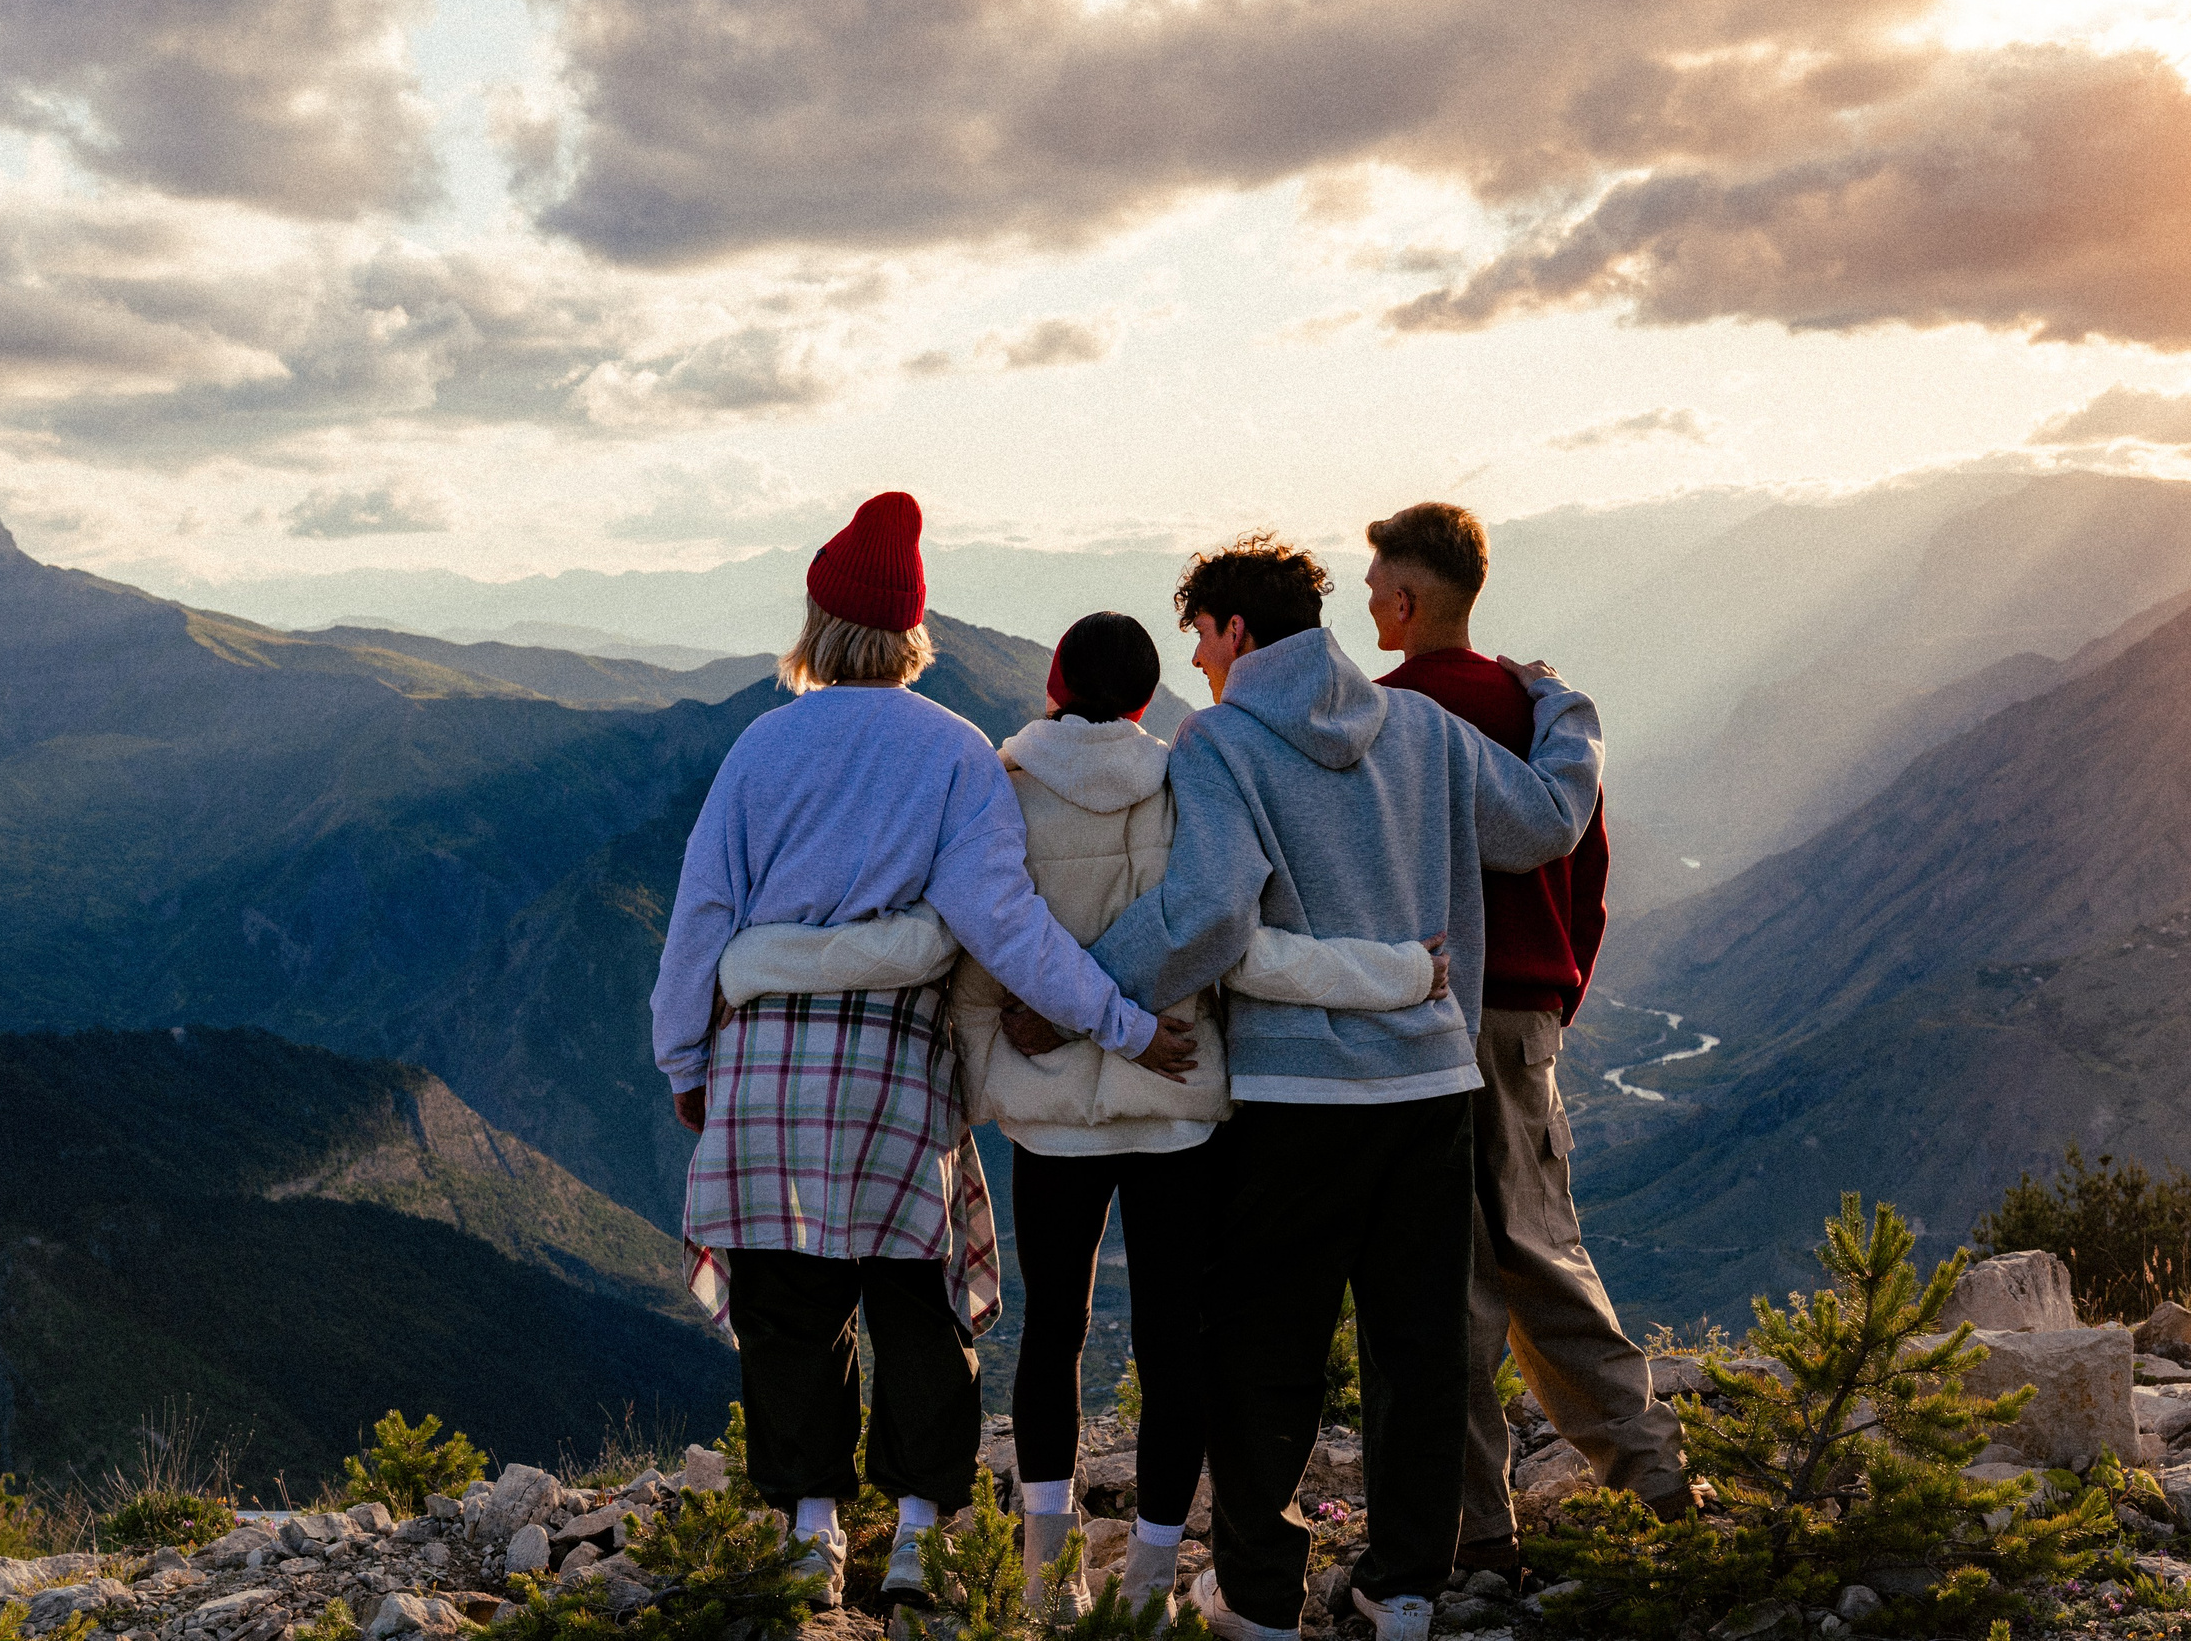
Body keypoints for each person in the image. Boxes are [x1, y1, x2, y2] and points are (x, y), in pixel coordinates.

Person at [723, 612, 1444, 1624]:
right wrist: (1401, 975)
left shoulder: (1003, 786)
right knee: (1172, 1342)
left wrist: (993, 1074)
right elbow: (1221, 933)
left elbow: (976, 949)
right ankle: (1151, 1576)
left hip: (1050, 1120)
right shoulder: (1190, 781)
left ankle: (1044, 1575)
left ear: (1054, 682)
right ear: (1149, 696)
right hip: (1176, 1107)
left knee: (1052, 1332)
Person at [647, 492, 1197, 1613]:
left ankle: (811, 1533)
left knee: (791, 1310)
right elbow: (1006, 926)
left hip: (761, 1059)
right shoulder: (954, 754)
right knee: (915, 1303)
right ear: (912, 633)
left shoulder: (761, 746)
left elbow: (700, 915)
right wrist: (1124, 1024)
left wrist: (684, 1060)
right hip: (893, 1058)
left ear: (817, 621)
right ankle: (914, 1532)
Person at [1083, 534, 1603, 1641]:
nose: (1202, 666)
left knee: (1264, 1347)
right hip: (1431, 1086)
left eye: (1203, 642)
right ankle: (1403, 1589)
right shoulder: (1424, 729)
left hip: (1297, 1095)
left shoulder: (1217, 741)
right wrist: (1564, 707)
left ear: (1232, 633)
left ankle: (1263, 1600)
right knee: (1416, 1346)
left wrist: (1088, 985)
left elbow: (1214, 909)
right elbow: (1547, 822)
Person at [1361, 501, 1692, 1567]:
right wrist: (1552, 998)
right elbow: (1587, 874)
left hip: (1418, 1022)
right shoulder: (1539, 714)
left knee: (1440, 1285)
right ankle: (1659, 1485)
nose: (1367, 600)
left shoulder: (1379, 722)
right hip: (1520, 1020)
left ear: (1406, 601)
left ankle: (1477, 1529)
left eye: (1374, 585)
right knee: (1548, 1259)